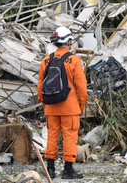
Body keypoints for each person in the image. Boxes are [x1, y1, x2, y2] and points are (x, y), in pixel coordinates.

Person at [37, 26, 88, 179]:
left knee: (52, 136)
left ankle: (50, 170)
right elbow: (82, 87)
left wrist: (45, 104)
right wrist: (82, 105)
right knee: (70, 137)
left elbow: (40, 85)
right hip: (70, 108)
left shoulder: (46, 60)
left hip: (51, 107)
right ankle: (68, 170)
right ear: (68, 41)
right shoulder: (74, 60)